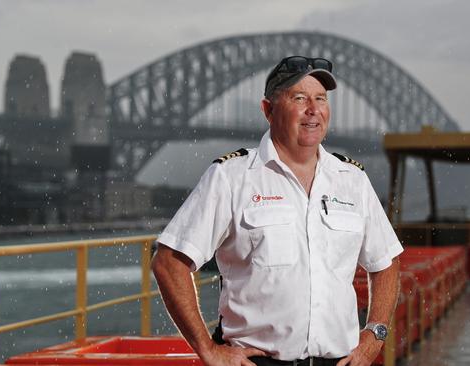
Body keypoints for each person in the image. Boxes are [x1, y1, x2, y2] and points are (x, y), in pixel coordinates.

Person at [152, 55, 403, 366]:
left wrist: (374, 334)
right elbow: (169, 263)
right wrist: (207, 348)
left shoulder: (353, 180)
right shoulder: (231, 177)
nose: (313, 110)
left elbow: (385, 263)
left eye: (321, 99)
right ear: (268, 110)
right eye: (299, 98)